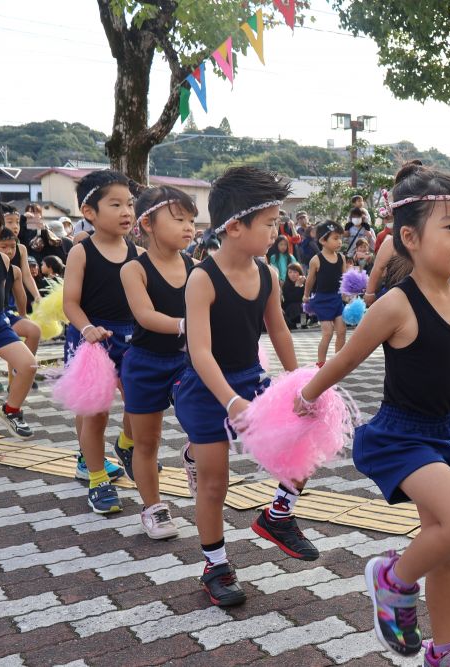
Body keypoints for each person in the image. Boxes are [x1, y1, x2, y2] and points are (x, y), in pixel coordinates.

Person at [297, 162, 450, 667]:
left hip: (444, 434)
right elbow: (346, 359)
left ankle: (445, 651)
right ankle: (391, 578)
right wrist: (307, 395)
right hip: (400, 436)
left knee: (445, 549)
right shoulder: (397, 304)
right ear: (409, 239)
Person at [174, 166, 319, 607]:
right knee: (215, 482)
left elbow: (279, 333)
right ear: (234, 227)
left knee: (304, 443)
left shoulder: (267, 275)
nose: (279, 230)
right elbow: (200, 352)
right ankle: (215, 565)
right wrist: (230, 402)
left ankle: (278, 515)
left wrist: (300, 387)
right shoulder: (202, 277)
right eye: (271, 222)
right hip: (205, 389)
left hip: (250, 381)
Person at [117, 186, 198, 539]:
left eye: (192, 221)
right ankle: (153, 507)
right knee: (146, 443)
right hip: (144, 364)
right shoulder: (134, 269)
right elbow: (146, 315)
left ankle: (195, 455)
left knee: (205, 423)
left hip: (187, 361)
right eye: (179, 219)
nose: (189, 227)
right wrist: (186, 324)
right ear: (147, 223)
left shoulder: (197, 267)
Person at [63, 170, 143, 511]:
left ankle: (125, 445)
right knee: (94, 413)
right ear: (89, 212)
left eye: (129, 204)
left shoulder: (137, 252)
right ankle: (96, 479)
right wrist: (87, 330)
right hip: (91, 341)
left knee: (141, 404)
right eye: (115, 204)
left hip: (131, 338)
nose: (126, 211)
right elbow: (70, 303)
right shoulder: (82, 252)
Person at [0, 206, 36, 439]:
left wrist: (24, 311)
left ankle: (10, 410)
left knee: (28, 365)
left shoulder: (2, 260)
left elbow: (15, 291)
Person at [304, 221, 348, 365]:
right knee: (328, 333)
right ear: (323, 240)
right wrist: (306, 295)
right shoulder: (316, 260)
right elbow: (310, 280)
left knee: (342, 330)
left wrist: (347, 293)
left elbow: (344, 278)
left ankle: (337, 362)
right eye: (335, 238)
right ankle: (321, 364)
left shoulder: (341, 257)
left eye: (340, 238)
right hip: (322, 300)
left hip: (336, 299)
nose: (339, 241)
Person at [0, 229, 41, 373]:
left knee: (34, 330)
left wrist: (23, 314)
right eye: (3, 247)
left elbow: (20, 296)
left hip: (4, 316)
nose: (9, 251)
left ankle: (19, 370)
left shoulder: (15, 270)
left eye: (12, 246)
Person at [281, 263, 306, 329]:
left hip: (301, 307)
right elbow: (291, 298)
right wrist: (297, 286)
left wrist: (301, 285)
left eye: (295, 272)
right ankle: (294, 323)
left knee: (303, 305)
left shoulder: (304, 283)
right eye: (290, 272)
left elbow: (304, 297)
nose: (292, 274)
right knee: (296, 305)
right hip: (290, 308)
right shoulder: (286, 285)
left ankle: (304, 323)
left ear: (299, 273)